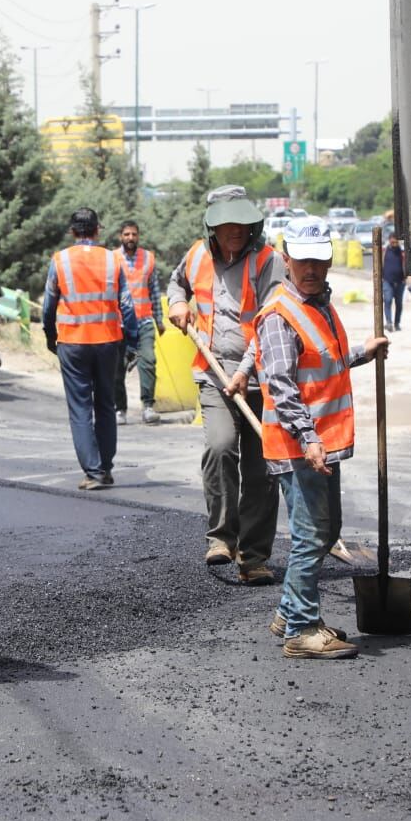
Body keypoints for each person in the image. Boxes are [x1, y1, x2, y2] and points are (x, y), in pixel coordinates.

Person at [256, 216, 389, 658]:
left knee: (326, 529)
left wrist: (361, 354)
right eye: (302, 260)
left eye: (318, 260)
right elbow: (280, 382)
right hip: (300, 445)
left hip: (320, 442)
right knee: (313, 534)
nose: (310, 269)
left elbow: (324, 363)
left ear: (329, 260)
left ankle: (290, 610)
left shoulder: (319, 305)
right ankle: (300, 630)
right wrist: (308, 437)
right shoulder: (280, 314)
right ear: (285, 258)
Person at [167, 185, 285, 585]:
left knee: (262, 470)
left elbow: (273, 318)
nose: (235, 230)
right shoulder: (197, 254)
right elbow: (176, 285)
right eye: (226, 223)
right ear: (212, 226)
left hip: (262, 378)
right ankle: (221, 539)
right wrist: (177, 304)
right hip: (214, 373)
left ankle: (254, 557)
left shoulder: (269, 261)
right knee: (219, 447)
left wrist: (247, 371)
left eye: (242, 222)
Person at [42, 208, 140, 490]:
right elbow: (127, 305)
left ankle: (94, 472)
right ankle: (105, 468)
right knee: (105, 404)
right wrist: (131, 342)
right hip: (108, 342)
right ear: (98, 230)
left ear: (73, 232)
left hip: (72, 343)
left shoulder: (60, 260)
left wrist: (51, 336)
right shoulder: (113, 260)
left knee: (80, 408)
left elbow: (49, 305)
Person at [112, 220, 166, 426]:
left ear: (138, 236)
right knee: (117, 368)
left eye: (134, 234)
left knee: (149, 361)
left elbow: (153, 291)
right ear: (121, 237)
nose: (130, 238)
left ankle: (148, 406)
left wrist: (159, 320)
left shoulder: (148, 259)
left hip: (143, 322)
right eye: (126, 234)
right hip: (119, 324)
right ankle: (120, 409)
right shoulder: (113, 259)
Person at [382, 233, 406, 331]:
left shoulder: (402, 252)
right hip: (387, 281)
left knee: (399, 304)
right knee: (387, 300)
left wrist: (406, 278)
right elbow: (379, 264)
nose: (394, 243)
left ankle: (397, 323)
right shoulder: (384, 251)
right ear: (389, 240)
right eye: (392, 241)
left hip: (400, 282)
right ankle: (388, 322)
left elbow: (406, 264)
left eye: (396, 242)